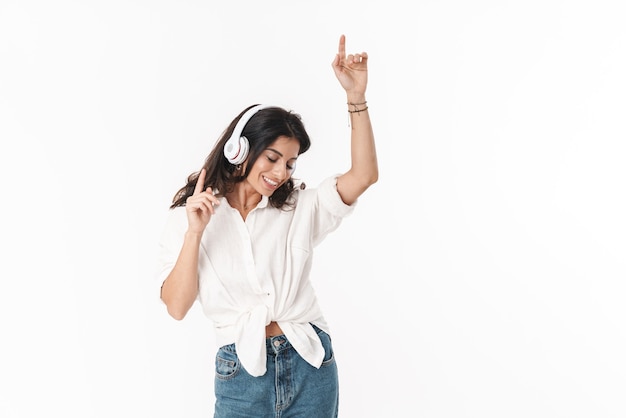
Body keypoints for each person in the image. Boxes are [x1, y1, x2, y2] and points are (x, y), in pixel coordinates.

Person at [156, 34, 378, 417]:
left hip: (310, 364)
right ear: (239, 150)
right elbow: (176, 307)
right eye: (272, 158)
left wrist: (355, 99)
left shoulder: (298, 208)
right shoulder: (187, 217)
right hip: (240, 373)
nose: (280, 173)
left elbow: (364, 175)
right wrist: (196, 233)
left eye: (289, 164)